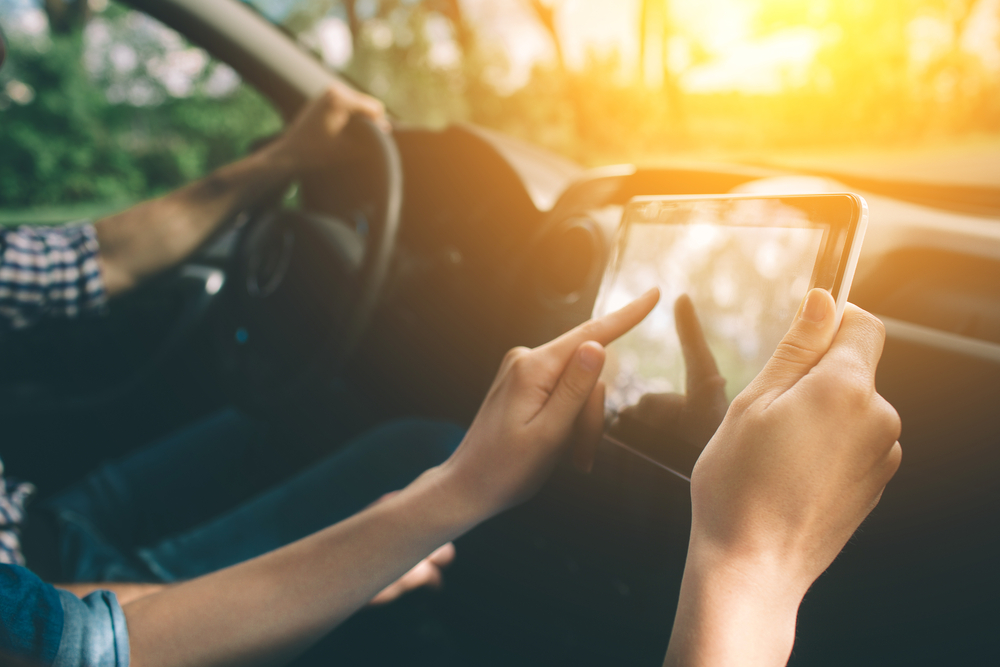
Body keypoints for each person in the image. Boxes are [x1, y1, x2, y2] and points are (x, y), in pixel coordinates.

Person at [0, 27, 903, 667]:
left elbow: (67, 643)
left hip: (28, 541)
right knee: (419, 443)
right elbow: (90, 646)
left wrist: (454, 493)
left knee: (377, 441)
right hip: (58, 575)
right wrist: (747, 567)